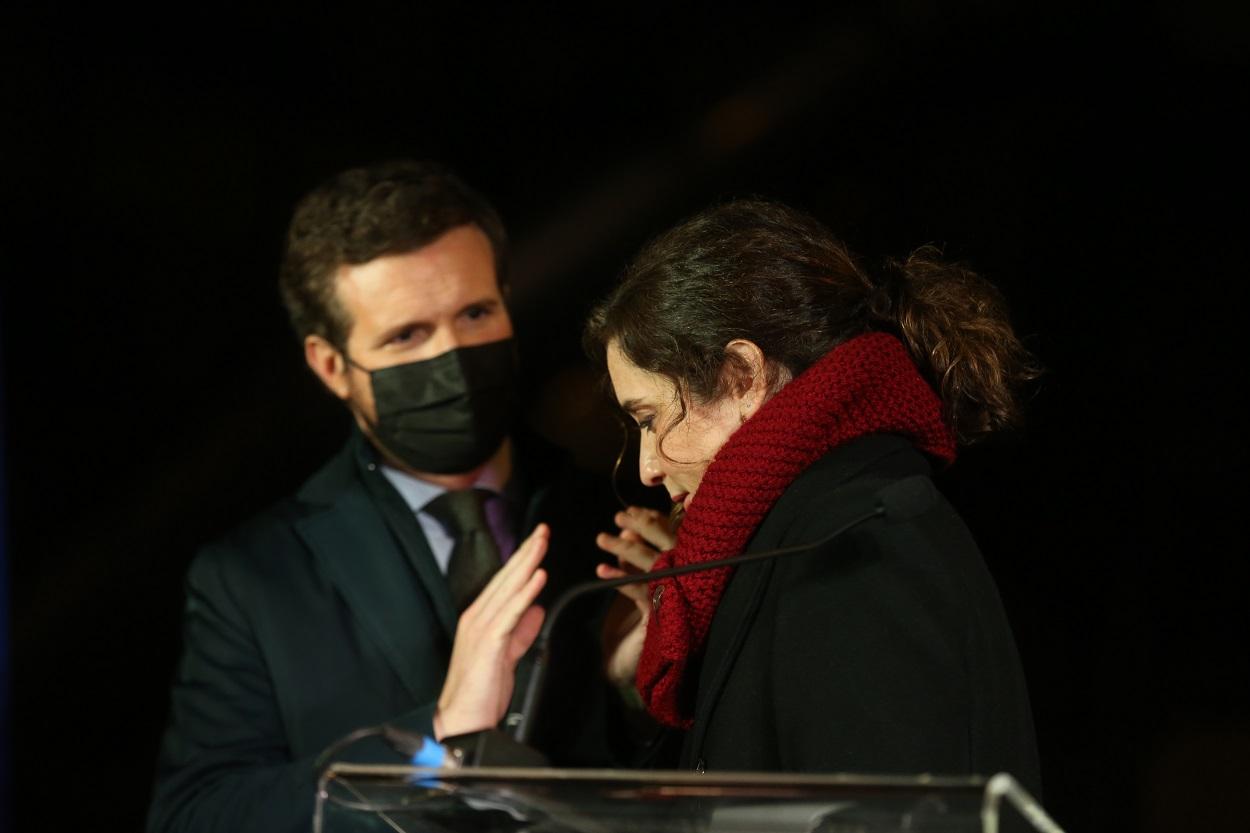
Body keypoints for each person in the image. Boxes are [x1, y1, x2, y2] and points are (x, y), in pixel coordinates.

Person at [148, 160, 620, 833]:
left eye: (475, 312)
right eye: (407, 334)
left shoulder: (610, 505)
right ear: (331, 365)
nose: (453, 355)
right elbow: (197, 816)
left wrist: (649, 689)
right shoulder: (254, 579)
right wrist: (440, 738)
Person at [585, 198, 1043, 790]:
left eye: (649, 418)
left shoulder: (854, 542)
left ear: (740, 378)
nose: (647, 467)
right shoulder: (798, 533)